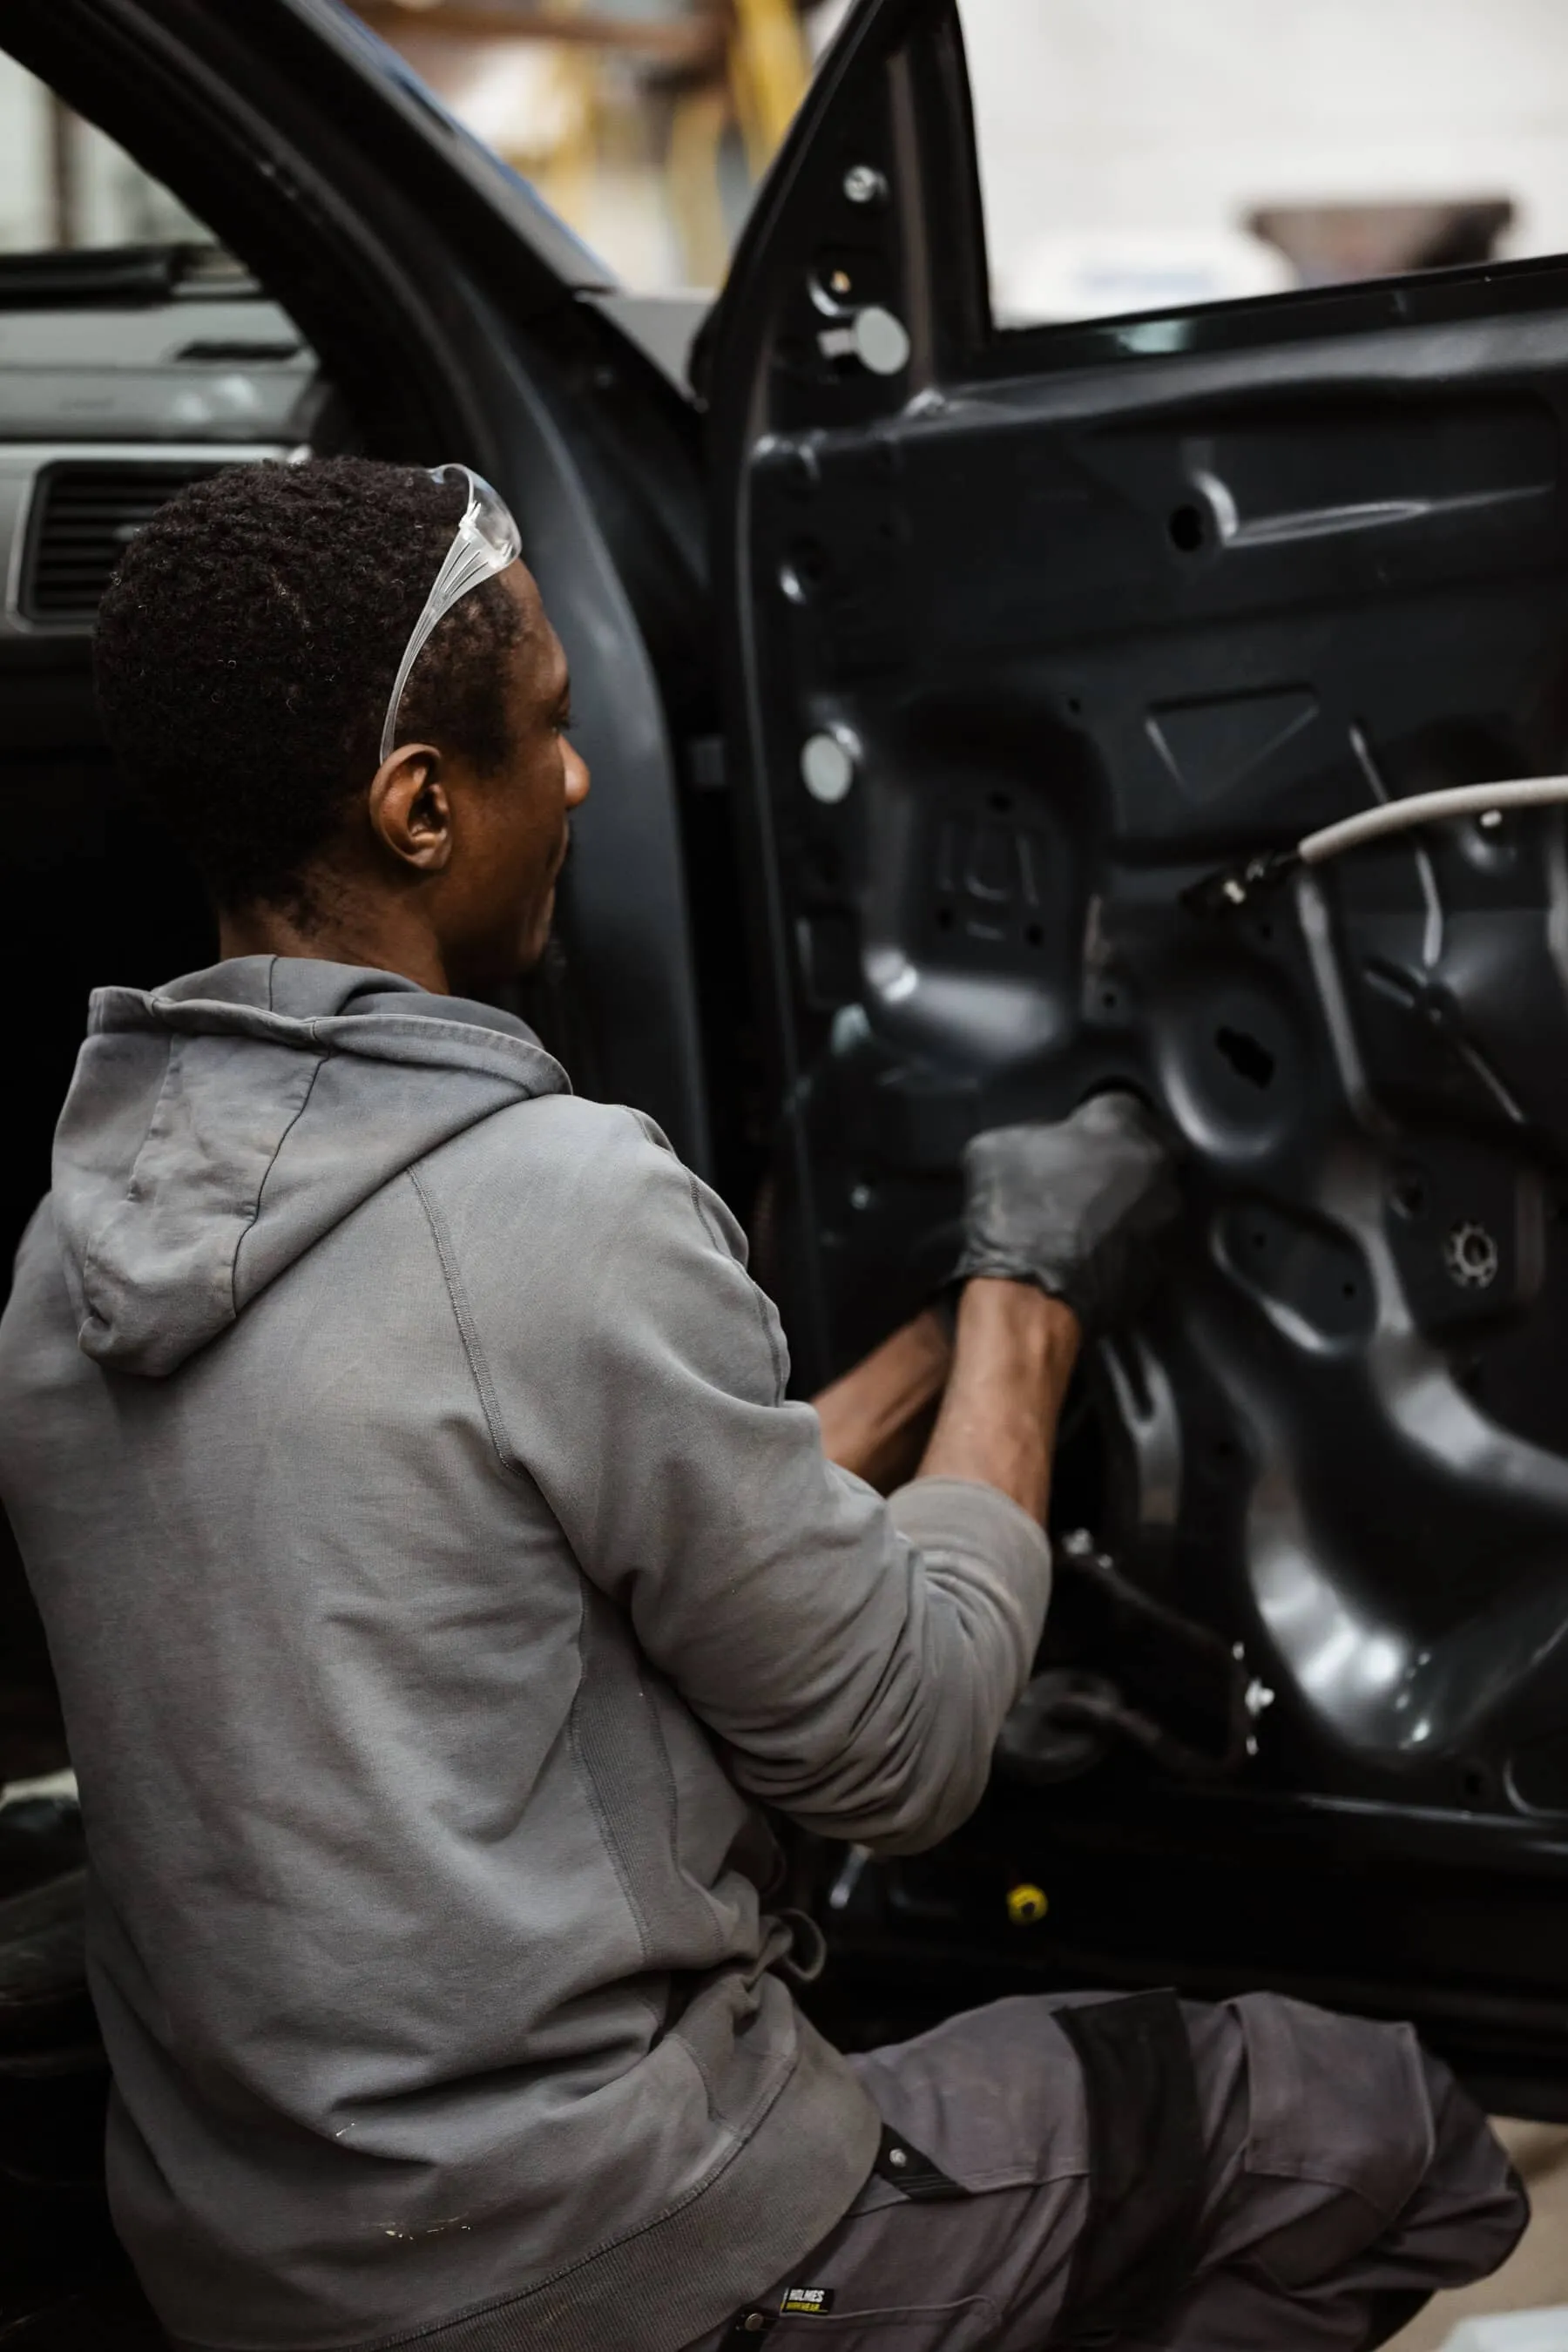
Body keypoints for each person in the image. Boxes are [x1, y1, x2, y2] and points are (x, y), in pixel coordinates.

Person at [0, 457, 1524, 2352]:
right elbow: (905, 1747)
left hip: (259, 2272)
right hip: (608, 2256)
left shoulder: (74, 1257)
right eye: (545, 734)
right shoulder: (558, 1203)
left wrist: (909, 1370)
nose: (572, 781)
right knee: (1381, 2134)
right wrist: (1026, 1308)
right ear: (416, 806)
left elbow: (527, 1521)